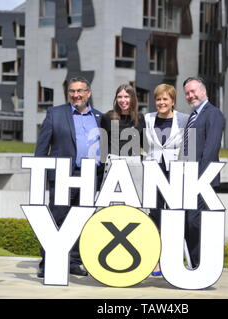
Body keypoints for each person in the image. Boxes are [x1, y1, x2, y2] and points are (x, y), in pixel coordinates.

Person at [34, 77, 103, 278]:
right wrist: (44, 174)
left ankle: (73, 261)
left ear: (88, 93)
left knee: (81, 220)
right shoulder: (55, 114)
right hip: (63, 175)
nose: (76, 95)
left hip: (90, 176)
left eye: (80, 91)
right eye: (72, 91)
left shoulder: (100, 117)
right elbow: (41, 148)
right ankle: (48, 263)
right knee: (56, 219)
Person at [144, 83, 189, 275]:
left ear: (172, 101)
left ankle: (172, 260)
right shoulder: (148, 118)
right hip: (153, 170)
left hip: (174, 173)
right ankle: (154, 261)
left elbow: (188, 147)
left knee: (173, 217)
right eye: (158, 99)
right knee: (154, 215)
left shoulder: (184, 119)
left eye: (165, 99)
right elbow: (147, 144)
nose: (161, 102)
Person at [182, 76, 225, 269]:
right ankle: (193, 264)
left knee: (195, 222)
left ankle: (201, 264)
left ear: (204, 91)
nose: (191, 96)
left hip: (202, 181)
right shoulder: (192, 116)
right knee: (186, 222)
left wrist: (199, 181)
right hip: (188, 179)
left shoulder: (213, 114)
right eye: (187, 93)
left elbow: (210, 150)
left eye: (193, 91)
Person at [100, 84, 145, 200]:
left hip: (133, 169)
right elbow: (103, 147)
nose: (123, 100)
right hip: (112, 169)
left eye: (127, 96)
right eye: (119, 97)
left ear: (133, 99)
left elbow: (144, 145)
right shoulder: (107, 117)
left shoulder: (140, 119)